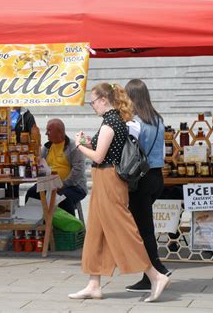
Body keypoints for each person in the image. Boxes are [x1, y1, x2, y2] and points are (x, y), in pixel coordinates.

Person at [70, 83, 169, 302]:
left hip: (108, 178)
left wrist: (78, 145)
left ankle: (155, 275)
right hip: (105, 177)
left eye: (93, 101)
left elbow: (98, 156)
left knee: (123, 230)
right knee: (95, 231)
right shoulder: (115, 121)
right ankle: (93, 284)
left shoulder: (110, 122)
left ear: (104, 100)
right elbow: (105, 149)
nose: (92, 106)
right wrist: (87, 141)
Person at [124, 79, 171, 293]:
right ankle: (150, 273)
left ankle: (157, 270)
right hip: (157, 176)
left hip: (140, 179)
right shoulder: (158, 119)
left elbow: (129, 151)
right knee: (144, 228)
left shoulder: (134, 123)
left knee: (144, 230)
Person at [25, 119, 87, 216]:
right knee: (31, 193)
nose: (46, 133)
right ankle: (37, 228)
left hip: (73, 187)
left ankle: (69, 230)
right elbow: (39, 165)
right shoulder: (47, 147)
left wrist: (62, 184)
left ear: (60, 132)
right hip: (50, 184)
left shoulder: (74, 147)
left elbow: (78, 171)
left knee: (62, 198)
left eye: (49, 130)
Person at [0, 107, 37, 197]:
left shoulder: (27, 116)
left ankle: (13, 206)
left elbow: (33, 136)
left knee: (13, 187)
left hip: (15, 157)